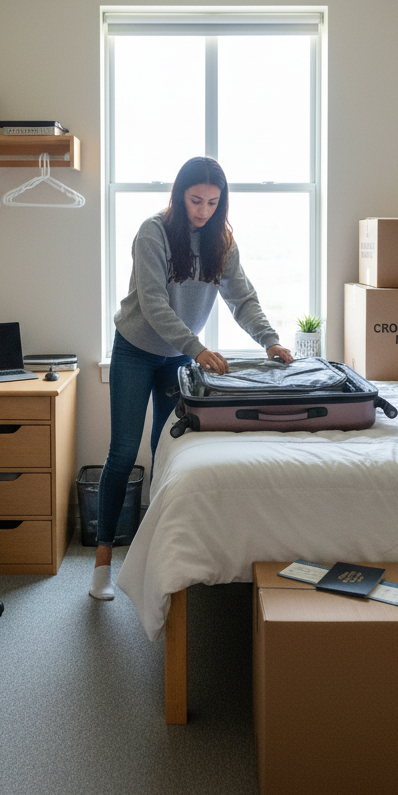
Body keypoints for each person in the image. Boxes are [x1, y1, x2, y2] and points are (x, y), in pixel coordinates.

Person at [91, 156, 293, 600]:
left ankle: (155, 556)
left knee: (166, 450)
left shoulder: (222, 242)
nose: (202, 210)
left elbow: (242, 298)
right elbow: (154, 303)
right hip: (135, 350)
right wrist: (197, 349)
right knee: (123, 452)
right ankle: (103, 560)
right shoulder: (154, 232)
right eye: (195, 199)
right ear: (180, 194)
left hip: (176, 357)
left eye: (212, 202)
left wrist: (270, 340)